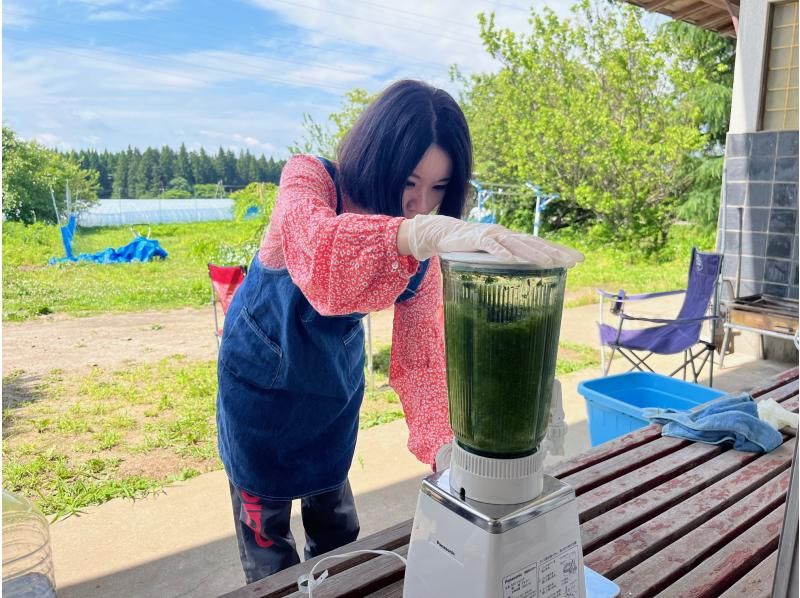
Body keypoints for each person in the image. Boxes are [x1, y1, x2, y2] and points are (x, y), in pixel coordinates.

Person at [216, 79, 583, 584]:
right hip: (258, 389)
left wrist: (445, 452)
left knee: (337, 531)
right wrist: (416, 235)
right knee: (267, 543)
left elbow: (421, 362)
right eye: (410, 182)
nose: (419, 203)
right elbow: (318, 252)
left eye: (438, 189)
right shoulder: (311, 179)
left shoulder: (419, 254)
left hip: (330, 390)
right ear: (377, 156)